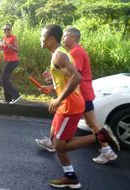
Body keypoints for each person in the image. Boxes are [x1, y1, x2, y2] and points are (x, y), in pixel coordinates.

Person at [38, 24, 119, 189]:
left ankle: (100, 135)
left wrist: (59, 99)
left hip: (70, 105)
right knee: (56, 141)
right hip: (69, 103)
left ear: (52, 39)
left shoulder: (58, 56)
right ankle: (70, 176)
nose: (41, 39)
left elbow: (76, 78)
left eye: (43, 36)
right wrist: (52, 88)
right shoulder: (60, 54)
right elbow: (67, 79)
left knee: (60, 146)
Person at [0, 24, 21, 104]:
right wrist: (0, 47)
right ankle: (8, 99)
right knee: (5, 79)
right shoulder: (4, 38)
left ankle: (16, 96)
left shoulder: (13, 38)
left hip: (13, 60)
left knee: (4, 78)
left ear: (11, 30)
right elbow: (2, 49)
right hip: (6, 60)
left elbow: (17, 50)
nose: (6, 31)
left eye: (8, 29)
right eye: (4, 29)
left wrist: (9, 46)